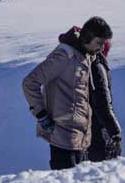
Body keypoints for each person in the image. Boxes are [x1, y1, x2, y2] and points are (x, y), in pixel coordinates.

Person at [22, 17, 113, 170]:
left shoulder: (85, 57)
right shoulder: (65, 56)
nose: (101, 48)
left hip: (82, 140)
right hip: (63, 139)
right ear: (87, 37)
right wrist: (41, 115)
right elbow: (30, 83)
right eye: (99, 42)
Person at [88, 39, 122, 163]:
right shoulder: (97, 67)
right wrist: (115, 133)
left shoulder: (86, 65)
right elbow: (103, 104)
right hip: (98, 130)